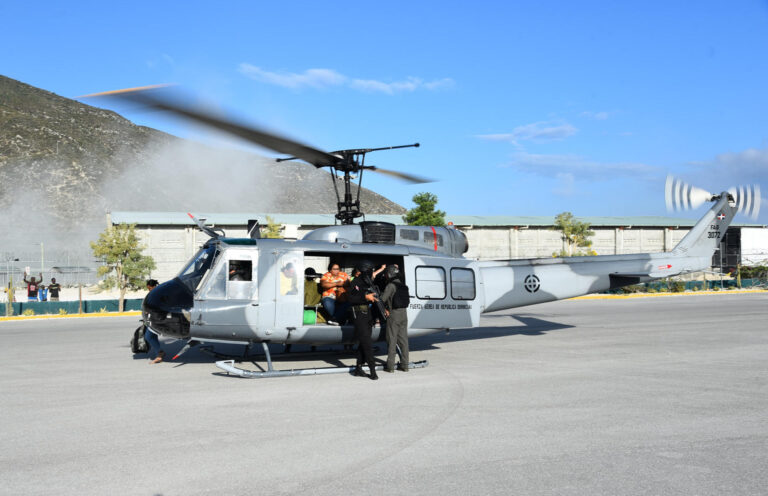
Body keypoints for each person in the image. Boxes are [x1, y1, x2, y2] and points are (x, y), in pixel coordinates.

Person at [346, 260, 380, 380]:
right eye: (370, 270)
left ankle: (358, 367)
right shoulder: (356, 282)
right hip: (358, 313)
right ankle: (372, 369)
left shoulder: (368, 283)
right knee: (367, 342)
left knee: (364, 341)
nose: (372, 273)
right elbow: (350, 298)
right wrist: (365, 297)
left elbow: (375, 298)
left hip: (367, 314)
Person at [380, 264, 410, 372]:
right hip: (404, 314)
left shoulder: (391, 286)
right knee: (404, 341)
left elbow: (382, 299)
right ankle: (405, 365)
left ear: (389, 274)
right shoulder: (403, 285)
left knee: (392, 340)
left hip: (394, 315)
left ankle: (390, 366)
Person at [143, 279, 165, 364]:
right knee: (153, 336)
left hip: (156, 320)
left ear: (152, 286)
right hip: (154, 318)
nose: (149, 290)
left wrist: (148, 311)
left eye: (149, 288)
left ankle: (160, 354)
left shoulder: (157, 294)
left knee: (148, 336)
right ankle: (158, 355)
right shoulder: (156, 293)